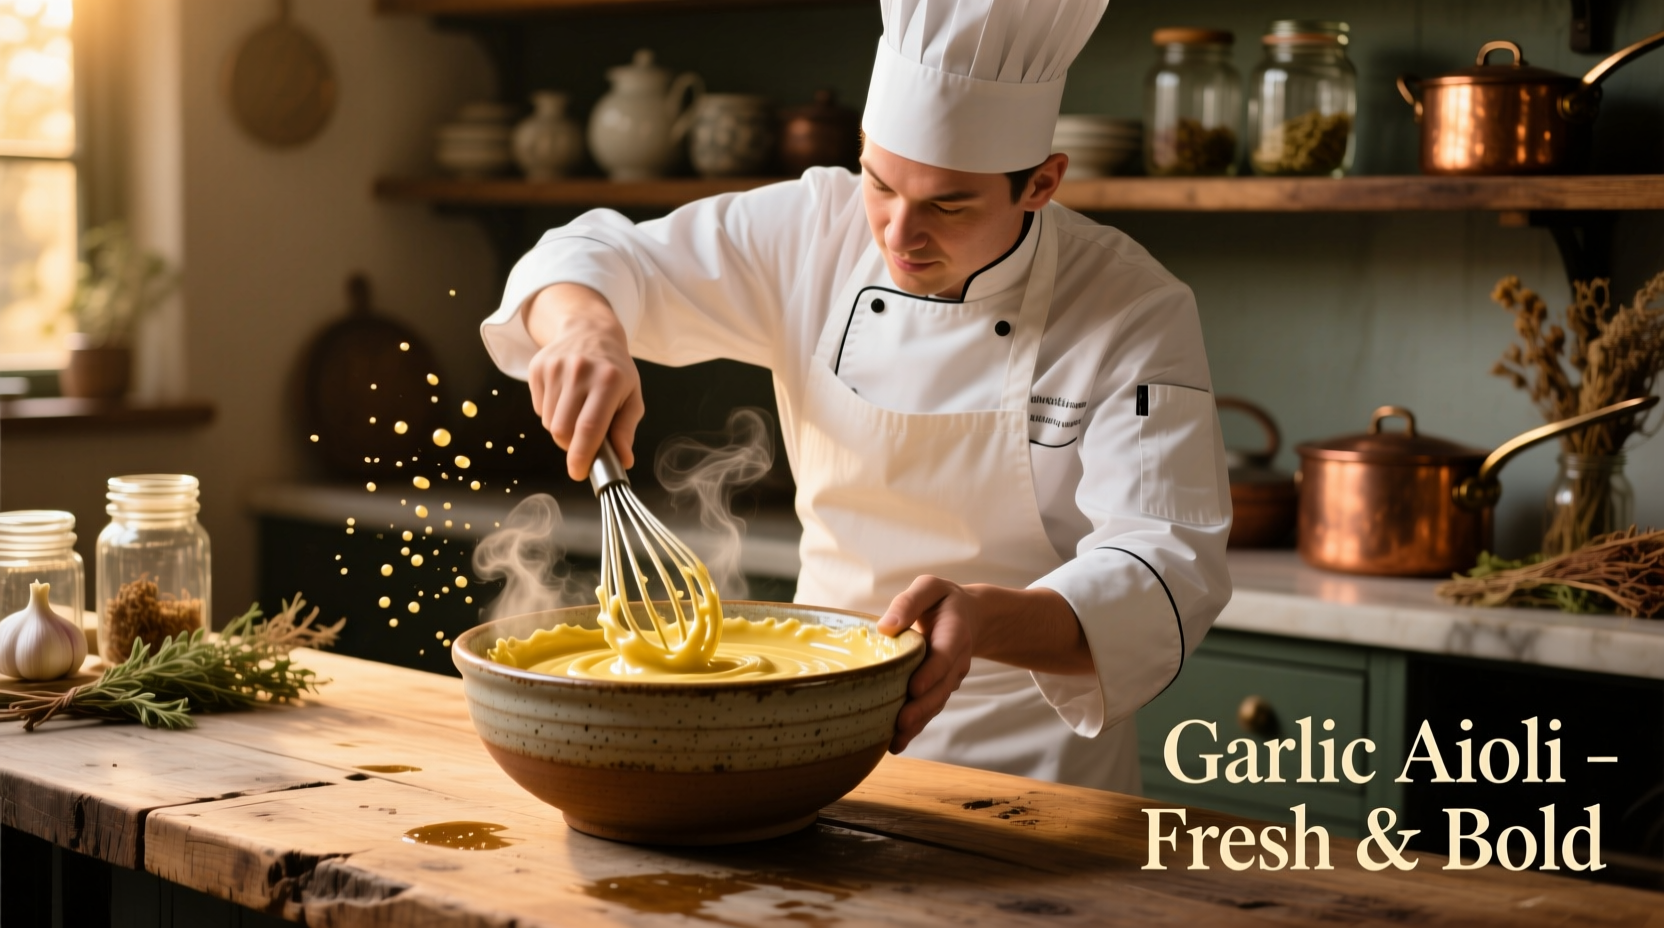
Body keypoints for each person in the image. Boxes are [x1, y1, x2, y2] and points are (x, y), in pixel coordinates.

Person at [481, 0, 1231, 793]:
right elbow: (588, 254)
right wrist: (586, 330)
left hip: (1031, 770)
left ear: (1040, 183)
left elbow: (1165, 562)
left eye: (947, 205)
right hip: (804, 730)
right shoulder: (816, 228)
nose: (897, 235)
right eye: (880, 182)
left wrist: (980, 620)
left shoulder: (1134, 310)